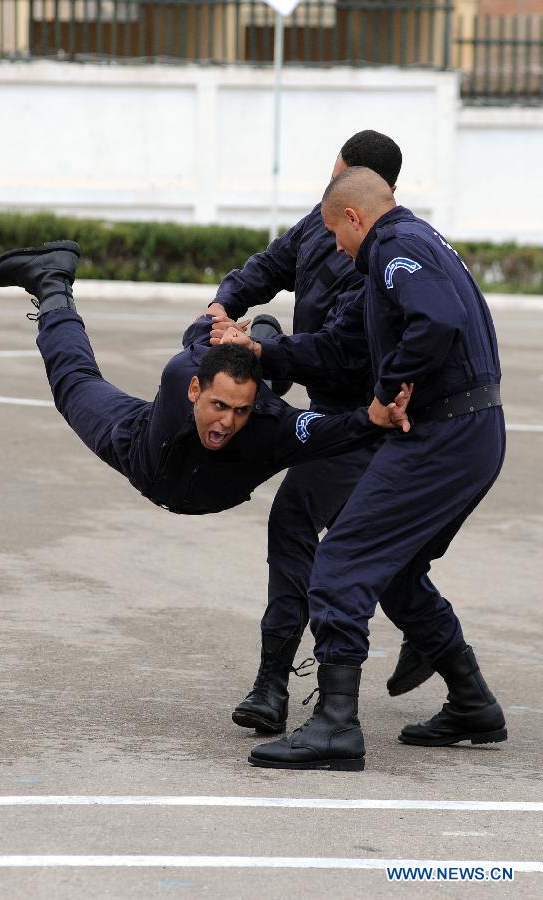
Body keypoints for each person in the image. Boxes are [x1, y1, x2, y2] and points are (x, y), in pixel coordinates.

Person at [248, 167, 507, 771]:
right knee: (395, 571)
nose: (337, 249)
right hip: (473, 431)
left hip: (443, 434)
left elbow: (437, 321)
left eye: (338, 235)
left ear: (355, 218)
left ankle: (337, 724)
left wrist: (391, 388)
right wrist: (265, 350)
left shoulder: (390, 246)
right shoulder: (424, 240)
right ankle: (473, 702)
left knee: (341, 559)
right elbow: (343, 348)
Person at [206, 130, 432, 736]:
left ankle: (274, 683)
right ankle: (457, 674)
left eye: (337, 181)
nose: (327, 201)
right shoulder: (321, 219)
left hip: (363, 422)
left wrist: (263, 348)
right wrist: (225, 304)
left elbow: (337, 353)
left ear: (361, 194)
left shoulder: (381, 256)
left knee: (312, 534)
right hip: (333, 414)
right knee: (380, 554)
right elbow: (270, 265)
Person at [0, 241, 412, 520]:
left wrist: (376, 417)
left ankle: (261, 345)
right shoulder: (181, 376)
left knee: (252, 383)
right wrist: (217, 324)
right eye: (219, 406)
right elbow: (196, 336)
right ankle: (52, 281)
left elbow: (334, 431)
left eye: (239, 410)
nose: (226, 422)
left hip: (214, 487)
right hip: (139, 447)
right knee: (74, 384)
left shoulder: (272, 426)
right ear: (195, 391)